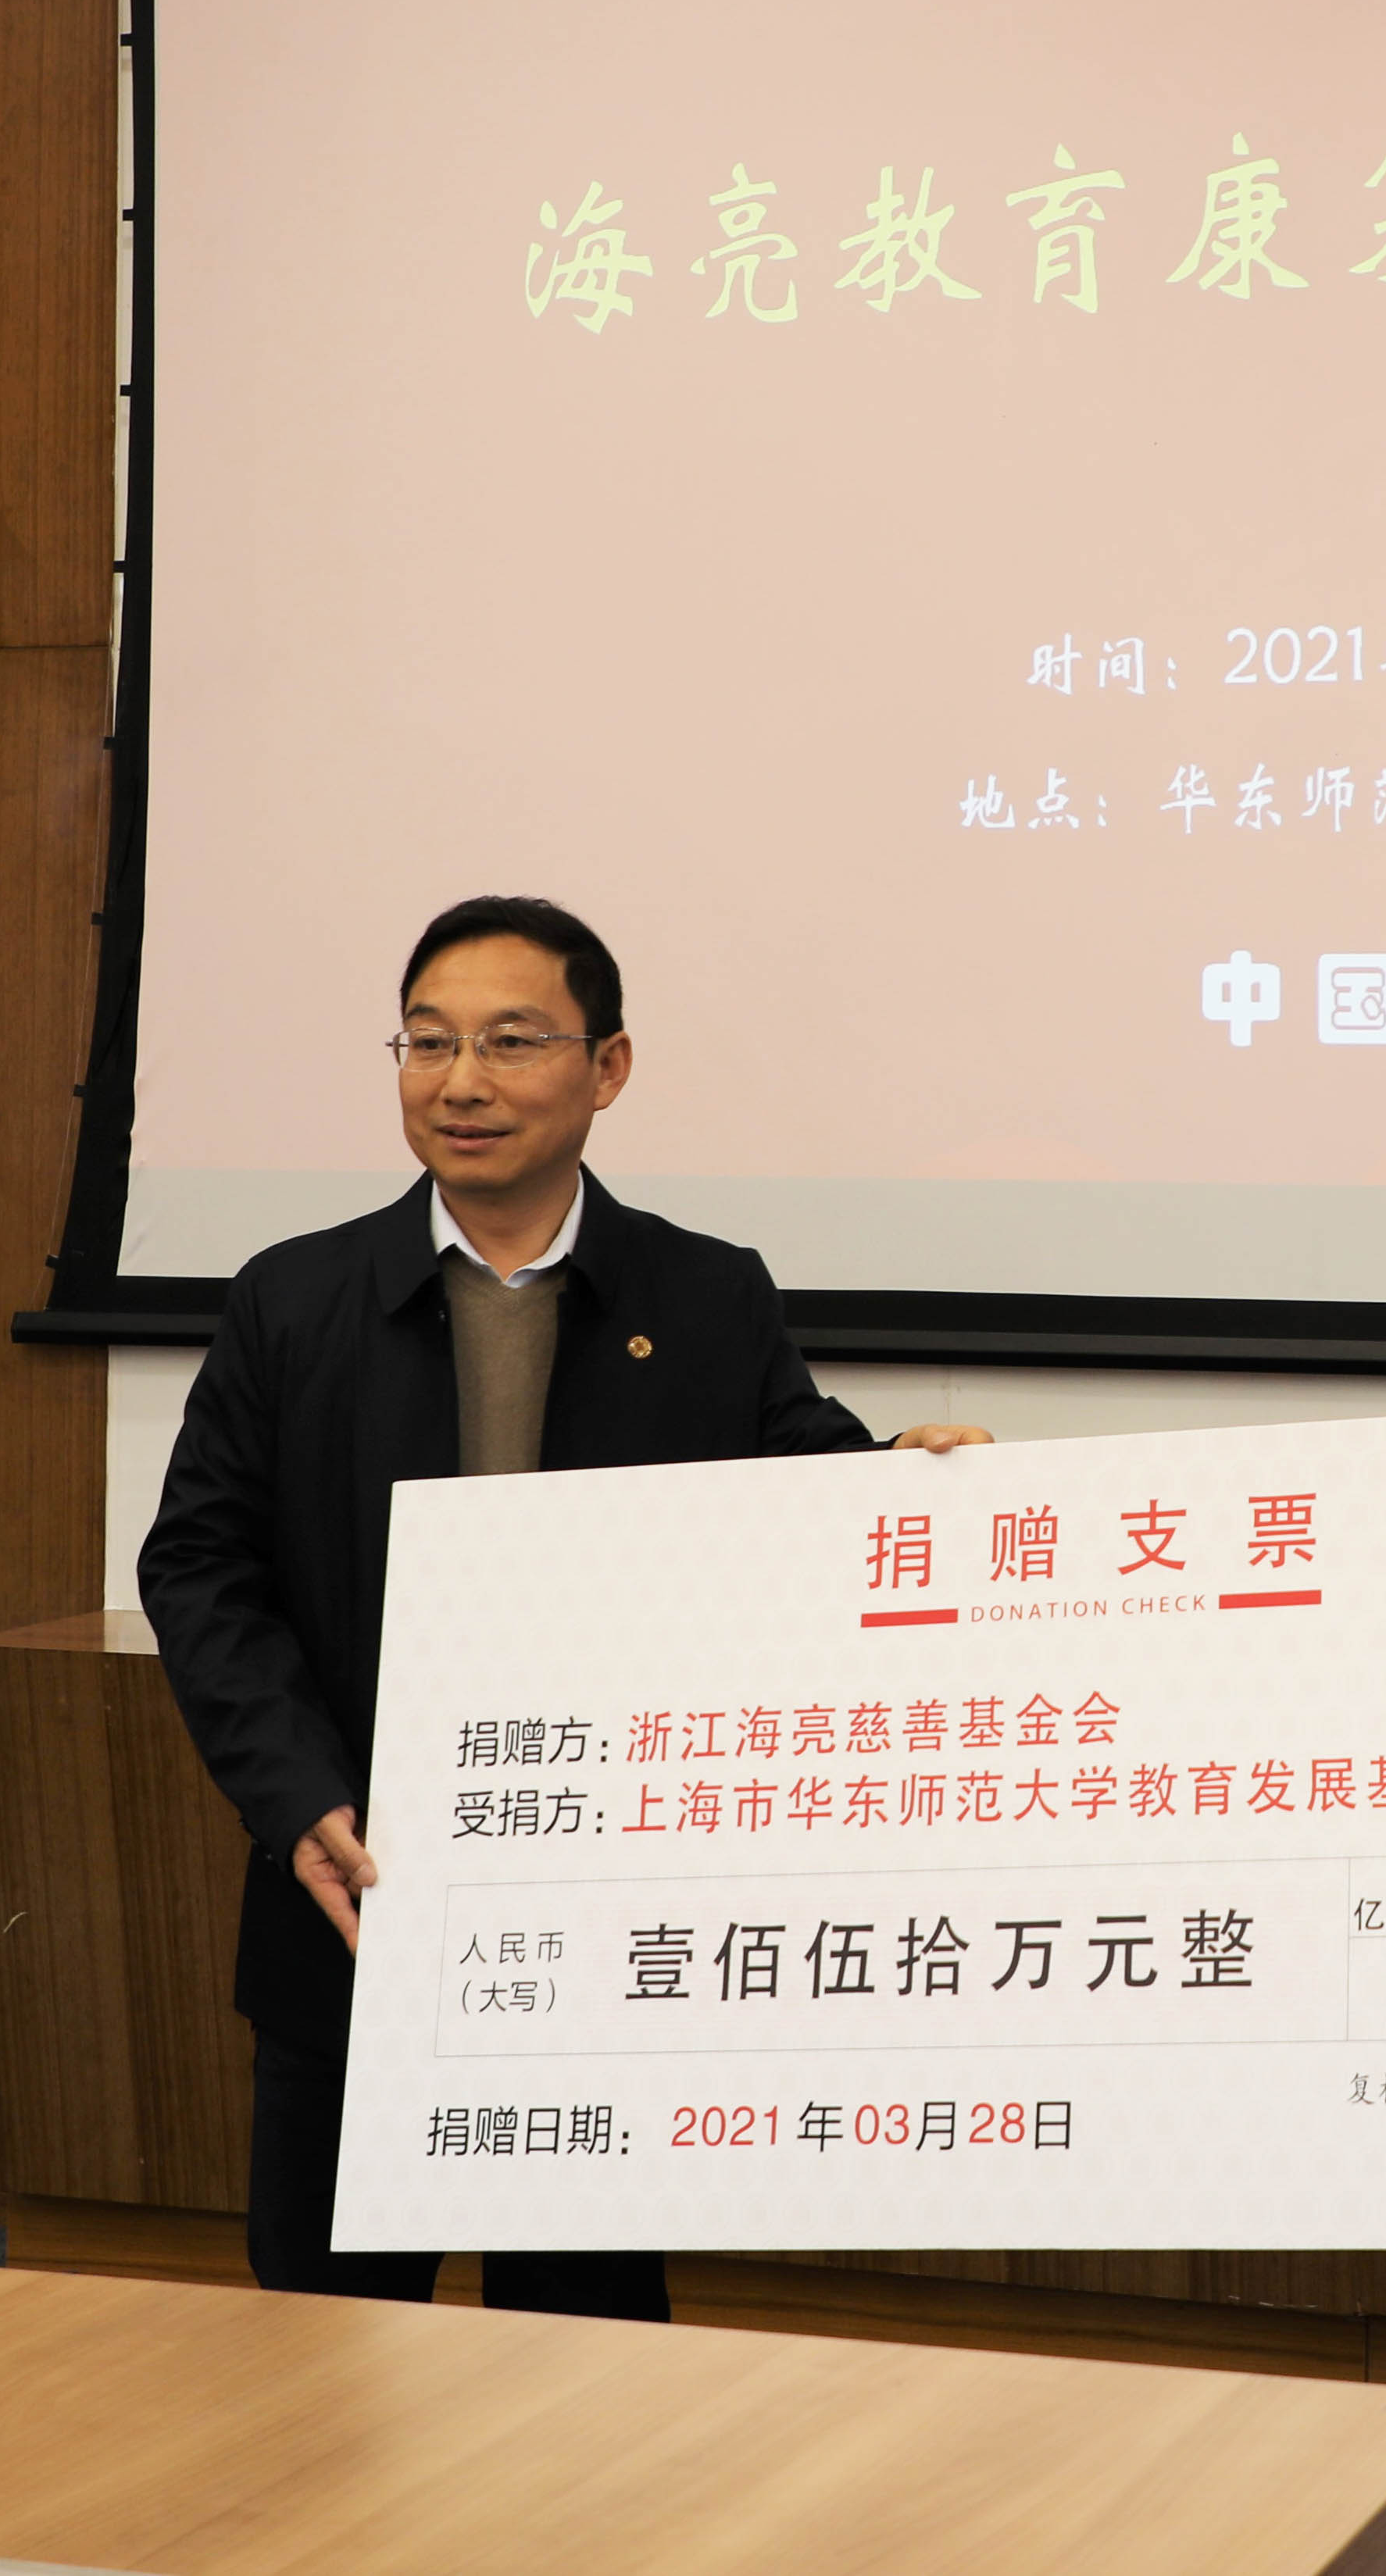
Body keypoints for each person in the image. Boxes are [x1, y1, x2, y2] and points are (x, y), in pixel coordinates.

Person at [138, 893, 987, 2316]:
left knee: (582, 2346)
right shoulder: (293, 1299)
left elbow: (806, 1491)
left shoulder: (704, 1295)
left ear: (609, 1067)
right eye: (427, 1042)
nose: (460, 1081)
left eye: (512, 1040)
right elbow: (199, 1565)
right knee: (325, 2343)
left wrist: (914, 1478)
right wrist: (299, 1801)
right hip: (359, 1893)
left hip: (599, 1918)